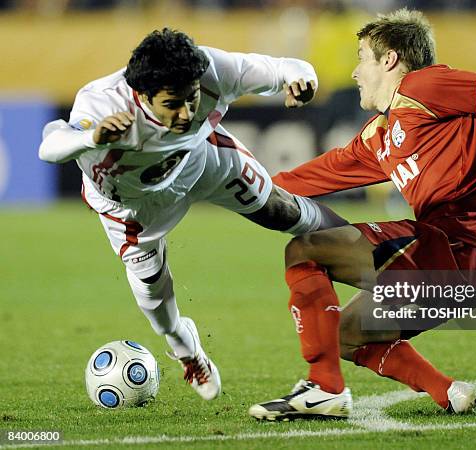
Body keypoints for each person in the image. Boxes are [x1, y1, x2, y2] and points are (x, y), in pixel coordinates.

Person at [248, 8, 476, 420]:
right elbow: (306, 177)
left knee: (305, 251)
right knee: (344, 335)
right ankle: (450, 392)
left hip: (454, 249)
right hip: (467, 274)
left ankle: (323, 388)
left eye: (362, 57)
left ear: (390, 60)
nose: (354, 72)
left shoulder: (425, 86)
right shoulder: (380, 136)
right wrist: (231, 182)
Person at [38, 29, 347, 403]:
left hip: (201, 163)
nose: (185, 113)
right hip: (134, 211)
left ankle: (368, 242)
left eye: (192, 99)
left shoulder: (212, 69)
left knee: (281, 210)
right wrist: (92, 139)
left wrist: (302, 80)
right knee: (154, 296)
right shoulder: (102, 104)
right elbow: (50, 146)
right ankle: (186, 350)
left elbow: (286, 68)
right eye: (172, 103)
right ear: (143, 96)